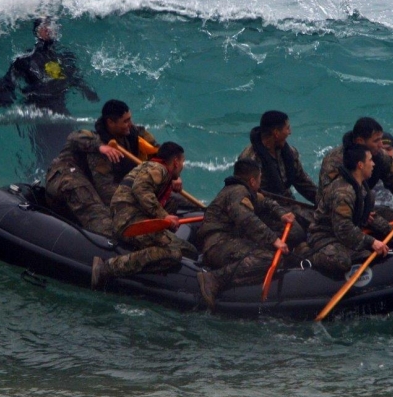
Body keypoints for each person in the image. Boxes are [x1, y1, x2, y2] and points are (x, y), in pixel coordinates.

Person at [304, 144, 393, 276]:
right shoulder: (343, 193)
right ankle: (306, 255)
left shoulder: (361, 187)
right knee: (342, 262)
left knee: (368, 256)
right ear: (360, 165)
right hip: (324, 236)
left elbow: (369, 217)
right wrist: (371, 242)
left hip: (342, 235)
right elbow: (344, 229)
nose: (373, 164)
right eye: (370, 160)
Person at [91, 142, 198, 289]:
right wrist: (164, 216)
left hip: (134, 218)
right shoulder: (158, 169)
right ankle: (108, 268)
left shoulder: (153, 168)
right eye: (182, 162)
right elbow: (140, 189)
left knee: (189, 251)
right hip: (130, 222)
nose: (183, 166)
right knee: (173, 253)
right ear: (175, 162)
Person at [44, 100, 158, 236]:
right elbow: (106, 192)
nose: (130, 124)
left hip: (90, 180)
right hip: (68, 177)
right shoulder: (99, 149)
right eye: (125, 121)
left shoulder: (132, 133)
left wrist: (170, 175)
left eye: (130, 119)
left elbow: (159, 152)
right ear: (111, 122)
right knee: (101, 219)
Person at [195, 158, 295, 309]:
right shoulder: (238, 192)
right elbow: (246, 218)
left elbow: (265, 202)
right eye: (259, 179)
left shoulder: (242, 191)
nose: (260, 183)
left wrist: (282, 214)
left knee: (268, 251)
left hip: (224, 243)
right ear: (253, 181)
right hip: (218, 245)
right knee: (268, 258)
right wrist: (274, 240)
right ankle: (214, 279)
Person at [318, 117, 393, 225]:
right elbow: (328, 197)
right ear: (360, 141)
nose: (381, 145)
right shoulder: (334, 161)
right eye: (376, 141)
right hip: (336, 214)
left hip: (364, 209)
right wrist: (360, 212)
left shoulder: (380, 155)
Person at [0, 16, 99, 113]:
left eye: (50, 24)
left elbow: (74, 77)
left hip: (59, 107)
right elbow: (6, 81)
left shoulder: (64, 55)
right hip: (37, 107)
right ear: (37, 31)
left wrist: (86, 89)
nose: (48, 28)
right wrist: (3, 94)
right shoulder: (26, 58)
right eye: (43, 25)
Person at [238, 110, 317, 240]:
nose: (290, 132)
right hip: (264, 210)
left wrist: (324, 201)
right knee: (296, 233)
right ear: (276, 133)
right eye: (287, 128)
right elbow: (244, 196)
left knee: (321, 221)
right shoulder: (249, 159)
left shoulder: (289, 153)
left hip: (288, 203)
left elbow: (303, 182)